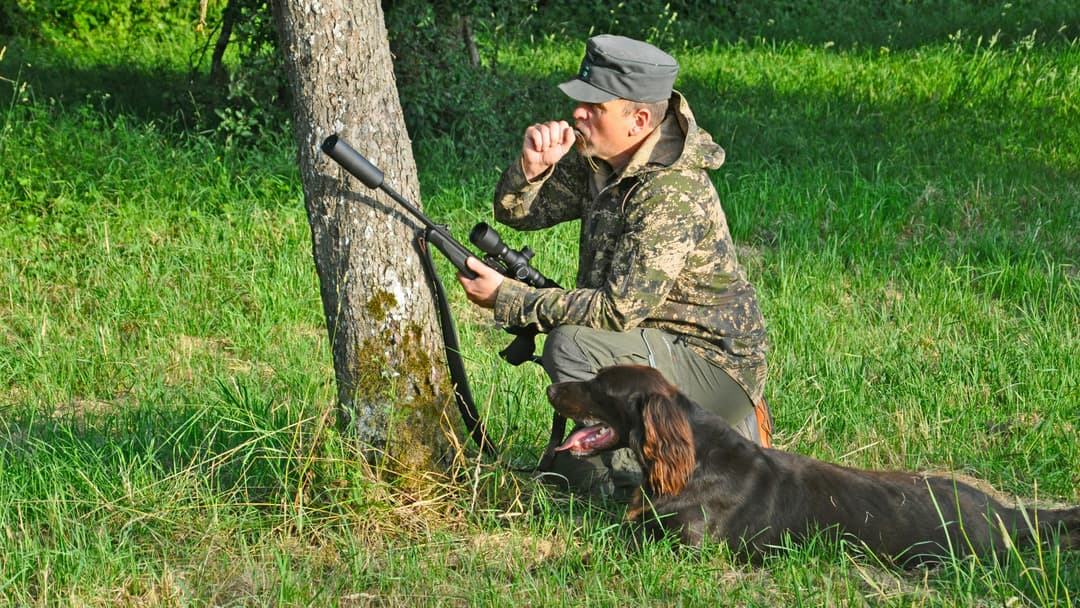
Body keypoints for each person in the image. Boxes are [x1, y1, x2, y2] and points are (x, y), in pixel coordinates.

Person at [458, 34, 771, 497]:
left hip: (714, 366)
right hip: (647, 344)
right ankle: (643, 455)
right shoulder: (602, 159)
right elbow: (520, 214)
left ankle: (662, 467)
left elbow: (617, 310)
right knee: (570, 474)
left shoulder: (671, 192)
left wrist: (510, 299)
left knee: (570, 345)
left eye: (594, 106)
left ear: (638, 120)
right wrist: (532, 169)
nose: (577, 113)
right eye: (580, 102)